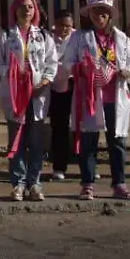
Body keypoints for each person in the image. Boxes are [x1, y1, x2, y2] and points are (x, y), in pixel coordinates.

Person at [63, 0, 130, 201]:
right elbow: (67, 62)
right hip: (91, 97)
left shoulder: (121, 38)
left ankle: (119, 184)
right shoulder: (79, 38)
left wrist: (128, 71)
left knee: (117, 142)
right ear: (89, 14)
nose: (99, 15)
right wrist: (81, 69)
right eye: (95, 11)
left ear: (110, 15)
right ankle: (87, 184)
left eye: (104, 11)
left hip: (115, 97)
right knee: (89, 141)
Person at [0, 0, 57, 202]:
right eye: (22, 7)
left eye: (30, 7)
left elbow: (51, 63)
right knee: (17, 140)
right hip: (15, 93)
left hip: (37, 93)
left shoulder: (44, 36)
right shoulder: (5, 35)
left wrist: (45, 82)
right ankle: (18, 184)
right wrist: (13, 74)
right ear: (15, 10)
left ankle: (35, 182)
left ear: (35, 10)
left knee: (37, 141)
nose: (26, 11)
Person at [49, 10, 77, 181]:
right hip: (55, 86)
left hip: (75, 84)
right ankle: (59, 166)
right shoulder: (48, 38)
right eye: (61, 26)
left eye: (68, 26)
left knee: (82, 126)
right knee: (59, 126)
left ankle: (84, 165)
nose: (65, 30)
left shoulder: (78, 37)